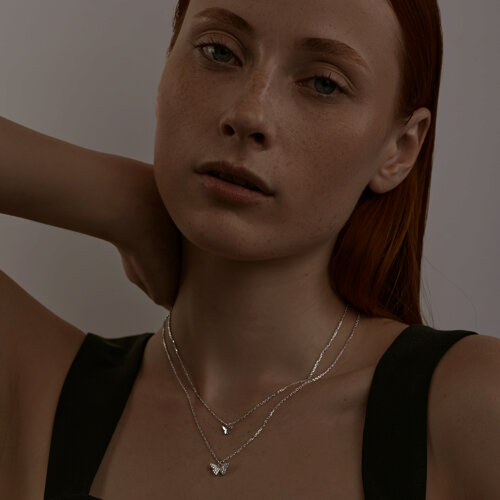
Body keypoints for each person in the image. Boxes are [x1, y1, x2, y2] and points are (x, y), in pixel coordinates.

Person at [0, 0, 499, 498]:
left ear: (400, 148)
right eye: (219, 51)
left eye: (324, 83)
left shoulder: (470, 404)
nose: (248, 113)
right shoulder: (40, 388)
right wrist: (122, 201)